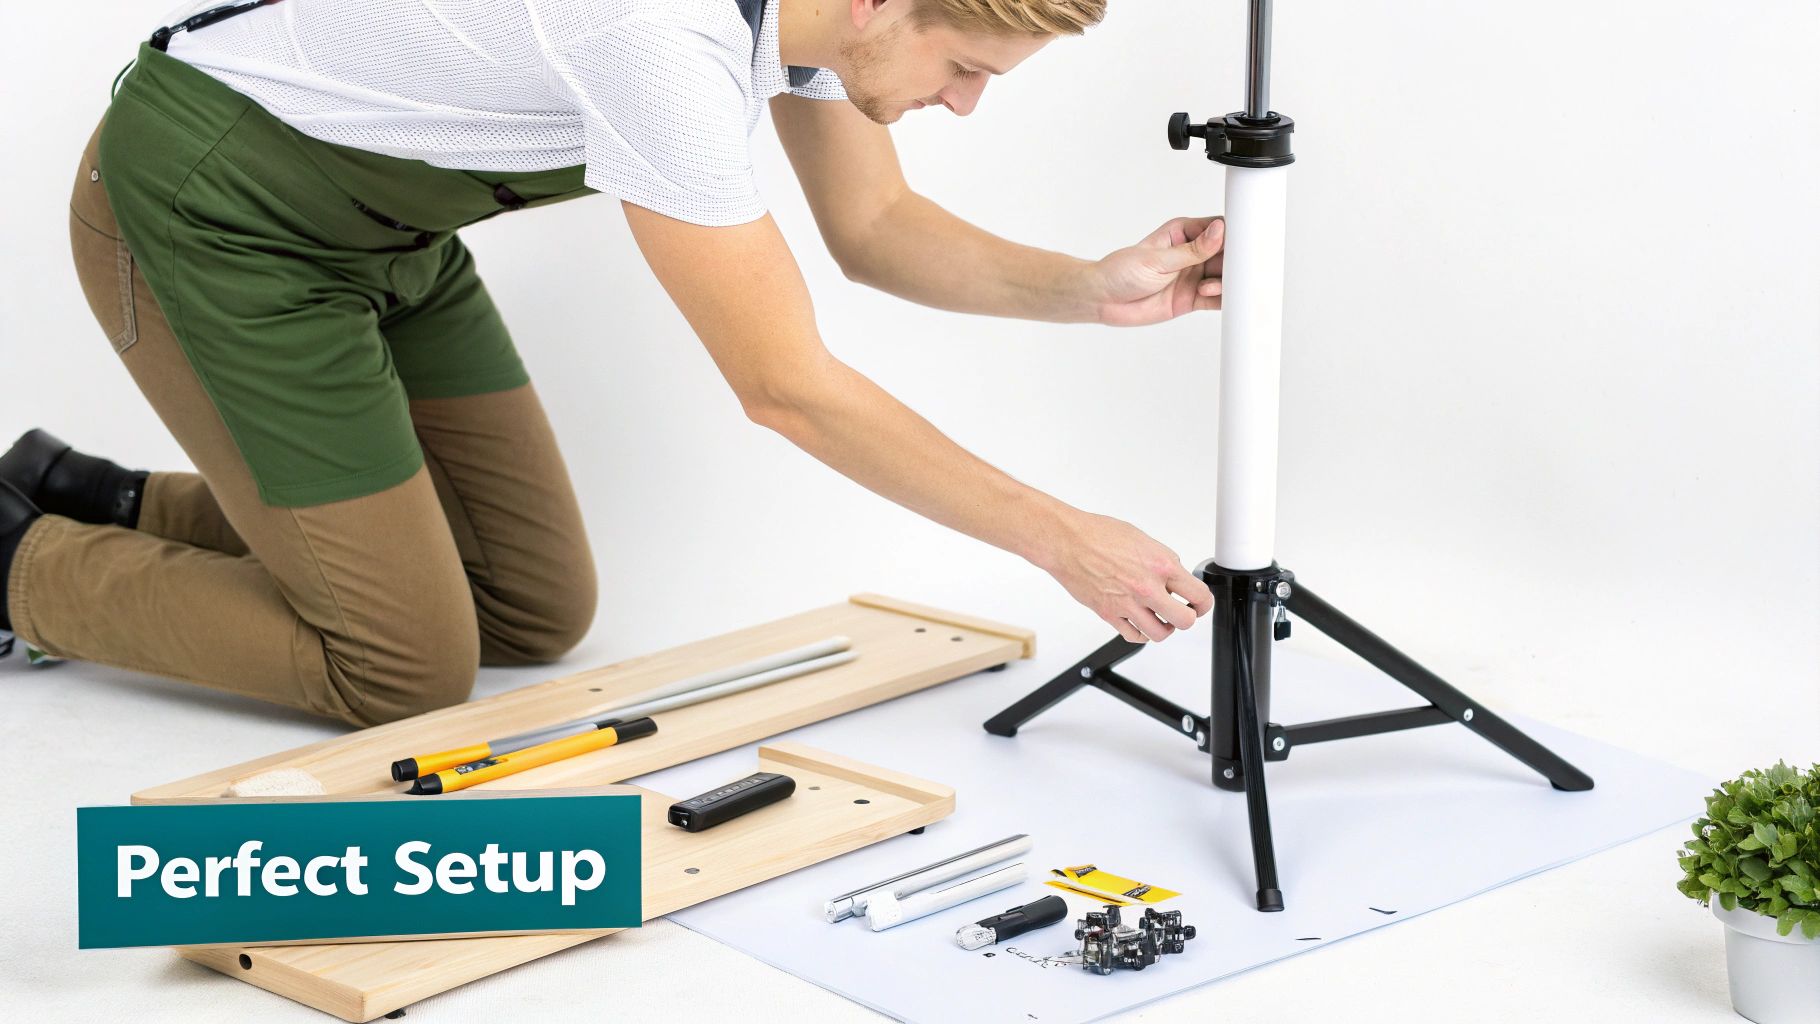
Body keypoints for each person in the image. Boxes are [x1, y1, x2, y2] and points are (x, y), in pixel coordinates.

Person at [0, 0, 1225, 725]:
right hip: (218, 218)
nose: (964, 104)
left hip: (386, 236)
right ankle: (15, 561)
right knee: (400, 668)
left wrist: (1091, 287)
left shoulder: (792, 20)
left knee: (532, 604)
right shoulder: (657, 37)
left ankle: (89, 491)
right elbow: (782, 384)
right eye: (965, 67)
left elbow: (872, 231)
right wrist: (1059, 536)